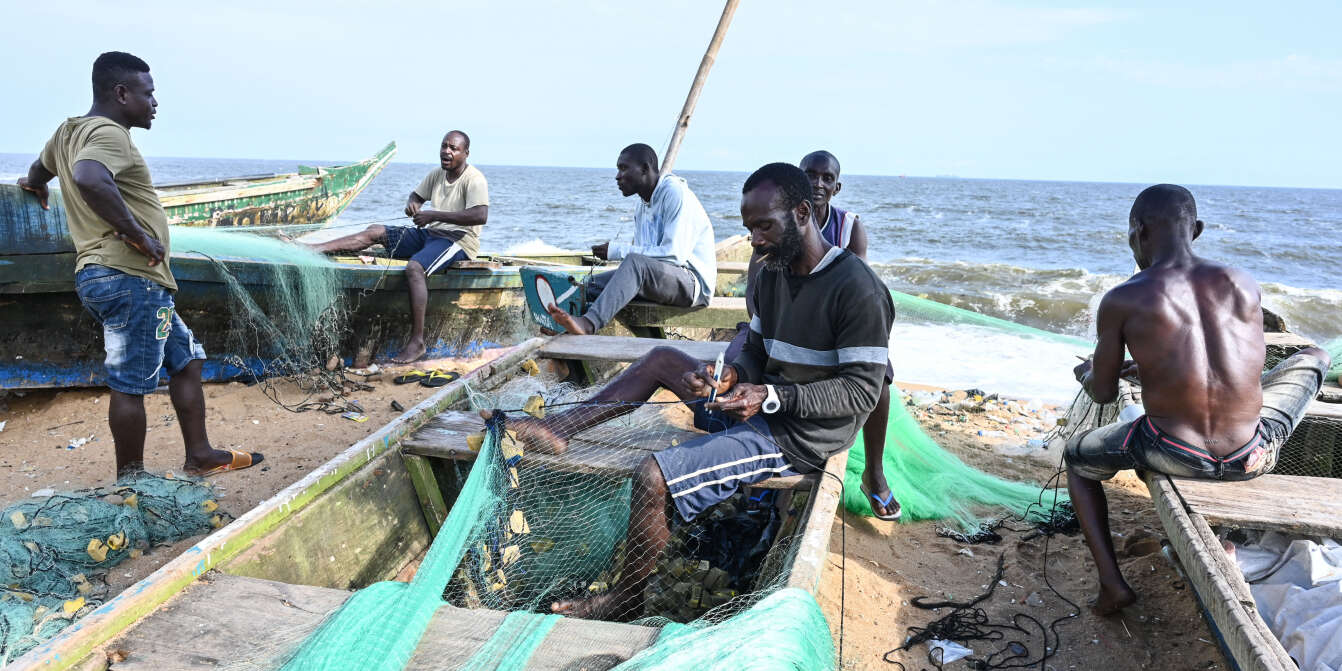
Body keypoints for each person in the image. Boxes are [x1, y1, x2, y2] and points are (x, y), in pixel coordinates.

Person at [510, 162, 895, 620]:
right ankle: (559, 428)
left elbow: (861, 392)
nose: (755, 240)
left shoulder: (857, 288)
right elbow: (754, 344)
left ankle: (626, 599)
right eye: (749, 228)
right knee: (660, 360)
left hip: (799, 434)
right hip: (756, 401)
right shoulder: (772, 273)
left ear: (803, 213)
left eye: (765, 226)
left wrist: (770, 397)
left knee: (653, 477)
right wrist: (731, 375)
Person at [1065, 184, 1330, 615]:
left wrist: (1086, 373)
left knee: (1077, 461)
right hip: (1253, 453)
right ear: (1198, 229)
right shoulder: (1242, 282)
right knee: (1314, 357)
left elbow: (1105, 391)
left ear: (1138, 231)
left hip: (1174, 451)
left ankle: (1113, 587)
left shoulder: (1124, 297)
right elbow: (1234, 363)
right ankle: (1259, 433)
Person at [17, 52, 262, 478]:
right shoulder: (110, 134)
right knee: (130, 383)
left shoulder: (66, 132)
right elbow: (90, 177)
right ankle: (131, 485)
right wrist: (138, 235)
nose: (154, 103)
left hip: (120, 279)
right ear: (121, 93)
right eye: (148, 94)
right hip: (128, 279)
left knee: (186, 359)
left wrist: (35, 184)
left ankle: (200, 454)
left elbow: (41, 169)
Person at [300, 130, 488, 363]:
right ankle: (315, 249)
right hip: (430, 233)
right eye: (444, 146)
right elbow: (416, 196)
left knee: (414, 268)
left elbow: (480, 215)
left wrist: (433, 215)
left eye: (453, 148)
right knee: (375, 231)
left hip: (457, 240)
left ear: (465, 153)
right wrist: (414, 205)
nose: (447, 151)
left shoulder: (474, 179)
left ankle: (417, 343)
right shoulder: (437, 174)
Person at [546, 144, 716, 335]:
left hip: (693, 284)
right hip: (661, 279)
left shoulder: (675, 194)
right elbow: (646, 257)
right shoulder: (642, 206)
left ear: (645, 168)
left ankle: (588, 324)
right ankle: (562, 325)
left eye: (623, 168)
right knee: (588, 285)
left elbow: (673, 255)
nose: (617, 176)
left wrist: (616, 251)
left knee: (633, 263)